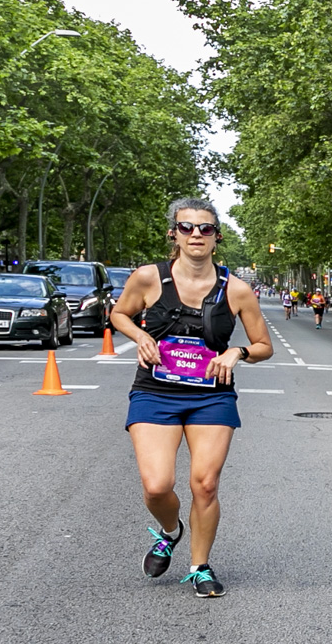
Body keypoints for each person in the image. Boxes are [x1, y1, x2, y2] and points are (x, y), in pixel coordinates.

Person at [109, 197, 273, 599]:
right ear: (174, 234)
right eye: (187, 227)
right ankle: (171, 530)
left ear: (217, 237)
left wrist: (238, 352)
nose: (196, 234)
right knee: (156, 485)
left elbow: (264, 344)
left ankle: (200, 566)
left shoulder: (237, 290)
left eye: (205, 228)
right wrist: (142, 335)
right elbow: (119, 314)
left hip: (211, 397)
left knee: (205, 484)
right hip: (155, 392)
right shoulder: (148, 278)